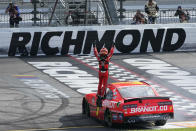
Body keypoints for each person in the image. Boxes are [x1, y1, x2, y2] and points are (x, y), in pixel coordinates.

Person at [93, 42, 115, 106]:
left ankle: (98, 94)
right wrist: (112, 46)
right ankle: (102, 95)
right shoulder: (107, 58)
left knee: (100, 83)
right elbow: (111, 52)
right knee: (105, 84)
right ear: (106, 52)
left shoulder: (99, 58)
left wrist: (94, 46)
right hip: (106, 72)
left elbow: (95, 52)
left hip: (100, 72)